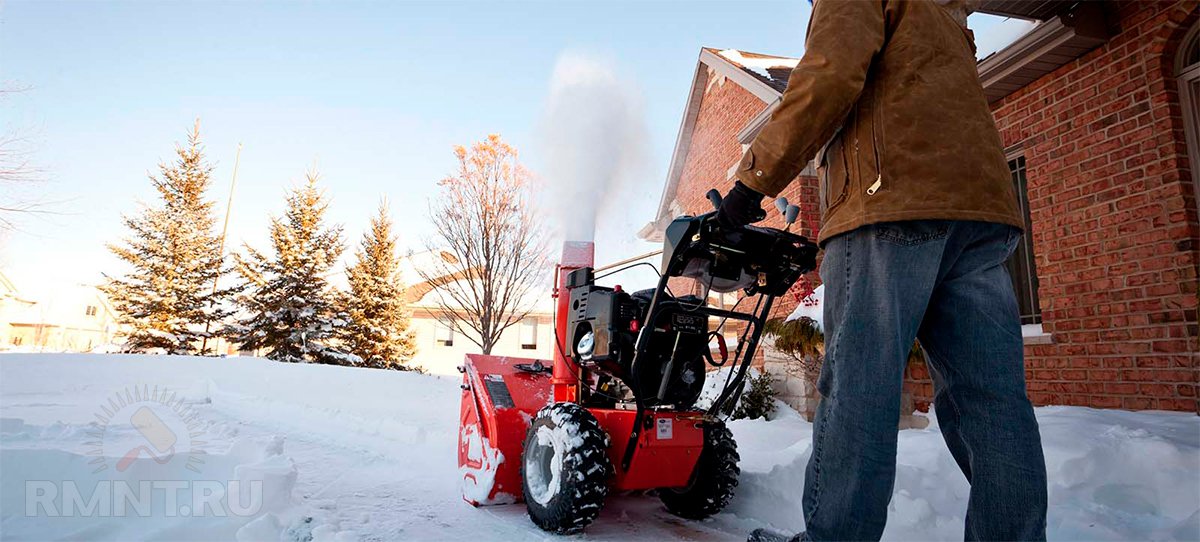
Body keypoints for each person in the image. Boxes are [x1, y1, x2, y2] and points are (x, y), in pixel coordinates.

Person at [717, 1, 1049, 541]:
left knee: (859, 388)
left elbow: (830, 73)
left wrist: (751, 185)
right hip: (979, 212)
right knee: (993, 403)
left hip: (889, 202)